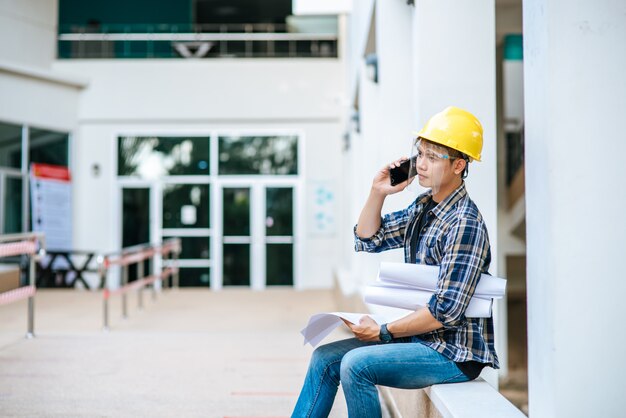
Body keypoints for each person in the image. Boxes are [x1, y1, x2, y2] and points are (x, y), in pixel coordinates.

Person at [292, 106, 499, 418]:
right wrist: (378, 192)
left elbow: (447, 312)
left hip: (453, 352)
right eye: (420, 153)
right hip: (422, 340)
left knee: (356, 365)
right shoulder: (424, 208)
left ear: (458, 165)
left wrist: (382, 332)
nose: (421, 164)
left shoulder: (464, 223)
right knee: (325, 358)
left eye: (433, 156)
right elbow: (368, 238)